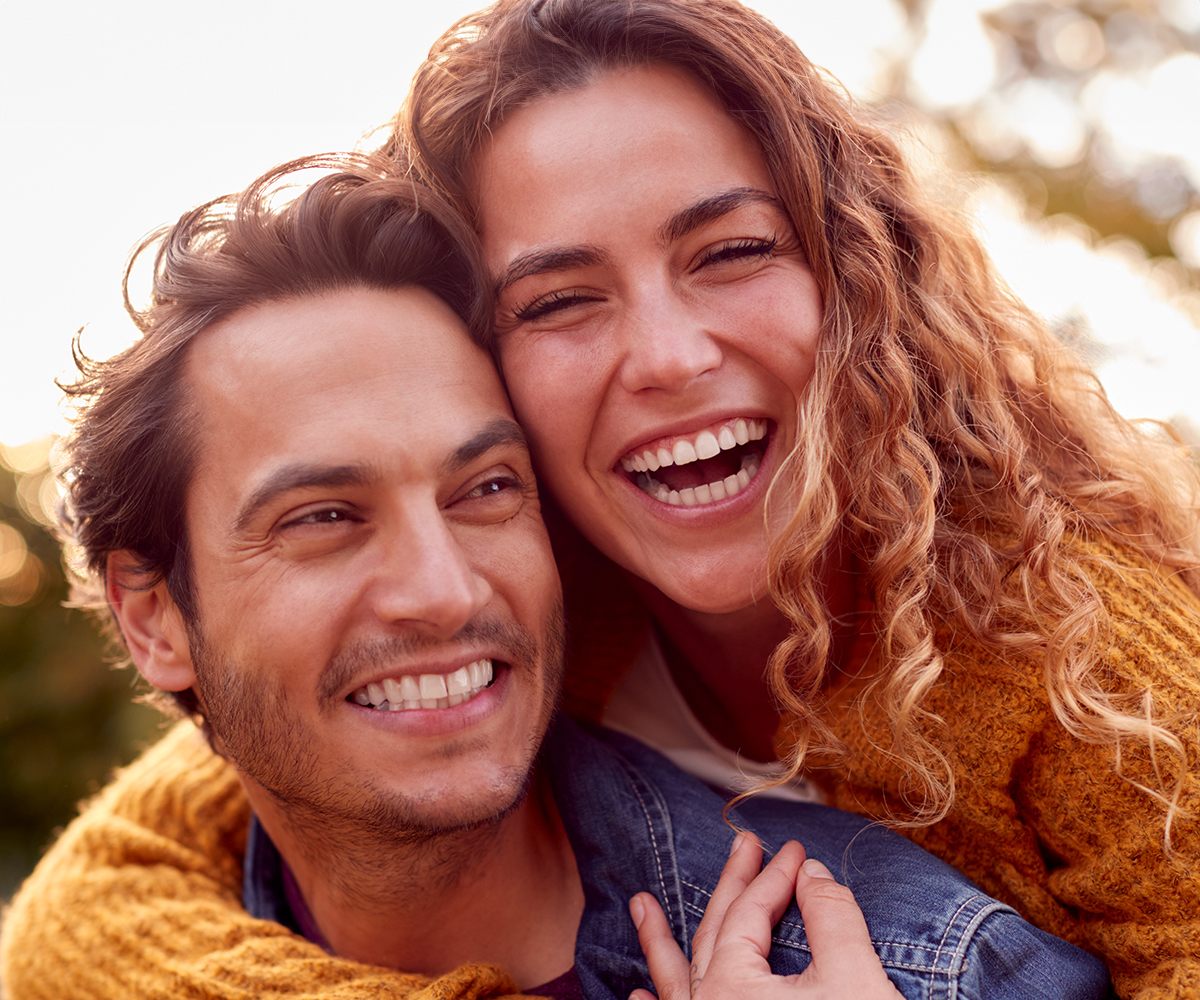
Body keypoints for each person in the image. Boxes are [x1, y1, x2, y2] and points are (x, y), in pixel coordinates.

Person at [0, 154, 1110, 1000]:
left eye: (486, 490)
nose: (442, 590)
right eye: (326, 517)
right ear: (155, 618)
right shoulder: (103, 954)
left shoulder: (912, 965)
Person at [386, 2, 1200, 996]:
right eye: (557, 301)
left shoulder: (1087, 663)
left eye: (730, 251)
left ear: (854, 275)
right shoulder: (503, 620)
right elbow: (152, 866)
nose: (670, 358)